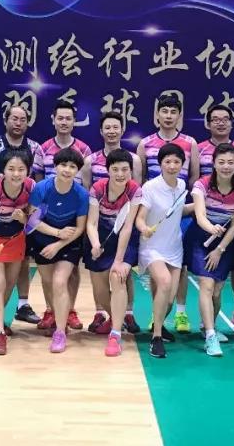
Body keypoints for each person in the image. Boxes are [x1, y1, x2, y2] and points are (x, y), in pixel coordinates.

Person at [137, 94, 199, 334]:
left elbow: (193, 178)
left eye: (173, 112)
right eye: (164, 111)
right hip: (154, 211)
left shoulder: (190, 143)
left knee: (179, 268)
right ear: (157, 115)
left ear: (179, 115)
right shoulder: (145, 144)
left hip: (178, 212)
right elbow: (141, 178)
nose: (169, 116)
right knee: (159, 271)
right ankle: (158, 317)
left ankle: (180, 312)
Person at [34, 100, 92, 333]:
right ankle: (51, 310)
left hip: (72, 217)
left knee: (71, 271)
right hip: (47, 218)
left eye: (69, 118)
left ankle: (70, 310)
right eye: (60, 118)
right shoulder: (43, 148)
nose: (64, 122)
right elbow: (38, 179)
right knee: (48, 274)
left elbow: (86, 183)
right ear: (53, 119)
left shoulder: (84, 149)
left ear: (74, 121)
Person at [0, 105, 43, 327]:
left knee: (23, 261)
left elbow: (38, 180)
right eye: (14, 118)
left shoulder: (35, 147)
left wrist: (29, 213)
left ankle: (22, 305)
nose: (18, 123)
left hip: (23, 213)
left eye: (22, 119)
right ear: (5, 120)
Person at [81, 111, 141, 334]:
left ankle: (127, 313)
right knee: (98, 276)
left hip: (125, 223)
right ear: (101, 131)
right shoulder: (90, 161)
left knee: (123, 274)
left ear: (122, 129)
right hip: (99, 222)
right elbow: (88, 192)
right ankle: (103, 312)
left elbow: (134, 191)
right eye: (107, 127)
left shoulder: (134, 160)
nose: (112, 131)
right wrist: (95, 241)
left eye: (116, 127)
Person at [197, 104, 234, 333]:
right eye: (215, 119)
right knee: (209, 274)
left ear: (231, 123)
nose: (220, 123)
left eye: (225, 119)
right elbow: (195, 179)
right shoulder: (199, 149)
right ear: (208, 123)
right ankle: (205, 323)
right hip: (208, 219)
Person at [187, 143, 234, 357]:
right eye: (221, 162)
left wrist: (220, 249)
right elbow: (200, 215)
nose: (226, 166)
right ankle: (211, 336)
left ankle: (207, 326)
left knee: (217, 290)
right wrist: (211, 228)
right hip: (200, 238)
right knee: (206, 284)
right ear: (213, 164)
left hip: (225, 244)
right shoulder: (202, 185)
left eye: (231, 162)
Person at [28, 148, 90, 352]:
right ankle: (55, 314)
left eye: (72, 167)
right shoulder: (42, 188)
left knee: (59, 281)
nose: (67, 170)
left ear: (77, 171)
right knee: (48, 282)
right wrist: (56, 233)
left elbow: (80, 228)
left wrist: (59, 243)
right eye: (63, 165)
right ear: (55, 166)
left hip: (68, 241)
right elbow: (32, 220)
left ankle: (60, 332)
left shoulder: (81, 194)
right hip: (43, 238)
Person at [85, 149, 144, 356]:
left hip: (125, 241)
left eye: (125, 169)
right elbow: (91, 223)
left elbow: (127, 227)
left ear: (131, 171)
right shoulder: (97, 188)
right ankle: (115, 318)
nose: (120, 174)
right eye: (115, 169)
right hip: (100, 236)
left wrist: (119, 260)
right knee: (100, 290)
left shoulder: (134, 190)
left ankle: (115, 335)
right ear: (107, 170)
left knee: (117, 277)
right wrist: (95, 244)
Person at [136, 143, 192, 358]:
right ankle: (157, 338)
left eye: (176, 162)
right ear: (160, 164)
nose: (172, 165)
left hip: (174, 247)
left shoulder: (182, 185)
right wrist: (144, 228)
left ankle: (157, 325)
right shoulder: (150, 187)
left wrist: (200, 206)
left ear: (182, 164)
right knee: (165, 282)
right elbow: (140, 217)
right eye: (167, 161)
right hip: (152, 247)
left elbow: (178, 211)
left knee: (169, 299)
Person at [0, 153, 36, 355]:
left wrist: (24, 219)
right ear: (3, 171)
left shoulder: (31, 187)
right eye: (11, 169)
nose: (16, 174)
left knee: (10, 283)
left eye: (21, 169)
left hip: (15, 238)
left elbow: (36, 219)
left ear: (28, 171)